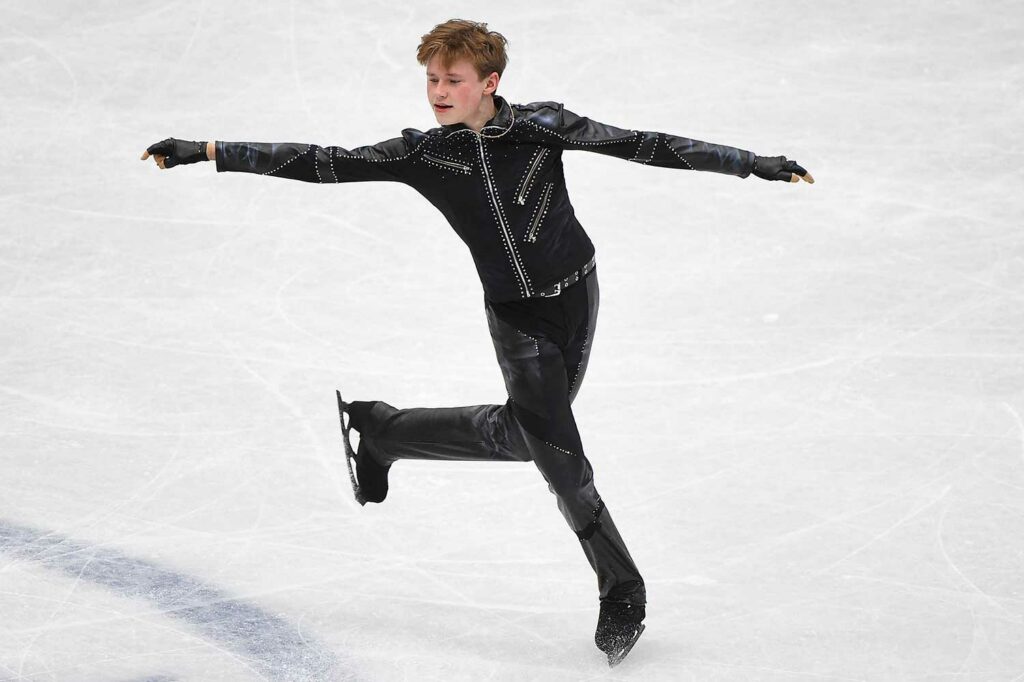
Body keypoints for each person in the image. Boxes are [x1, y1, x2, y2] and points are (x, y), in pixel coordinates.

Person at [141, 18, 813, 666]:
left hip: (578, 295)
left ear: (489, 82)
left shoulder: (545, 127)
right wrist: (209, 151)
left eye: (451, 78)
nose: (437, 91)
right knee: (560, 459)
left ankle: (384, 433)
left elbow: (645, 144)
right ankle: (623, 590)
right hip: (518, 322)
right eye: (431, 78)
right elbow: (324, 163)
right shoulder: (423, 153)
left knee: (530, 438)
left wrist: (751, 164)